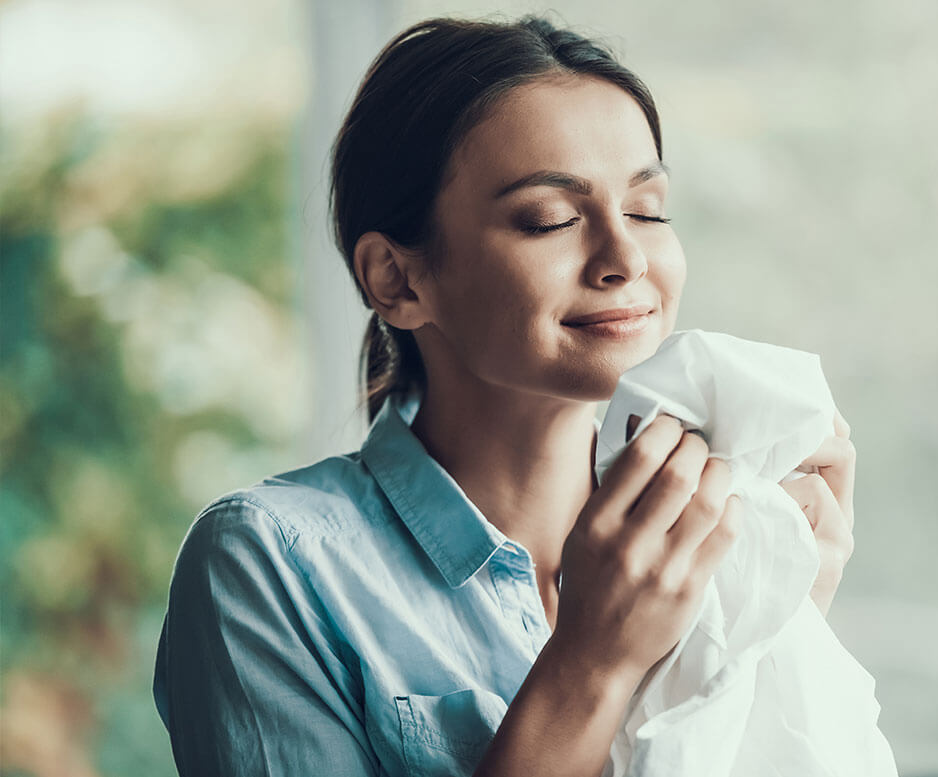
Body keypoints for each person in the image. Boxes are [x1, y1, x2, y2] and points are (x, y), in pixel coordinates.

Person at [153, 15, 856, 777]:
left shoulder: (709, 541)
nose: (625, 256)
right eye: (549, 218)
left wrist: (782, 613)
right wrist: (591, 664)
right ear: (397, 277)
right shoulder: (269, 563)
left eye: (648, 210)